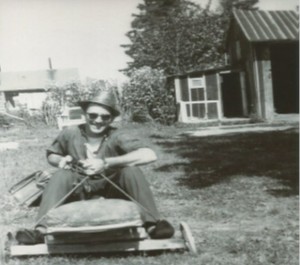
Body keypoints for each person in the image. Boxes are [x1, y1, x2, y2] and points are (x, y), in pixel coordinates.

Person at [16, 90, 174, 244]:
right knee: (60, 175)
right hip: (77, 188)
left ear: (111, 119)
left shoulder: (117, 135)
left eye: (105, 117)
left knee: (131, 170)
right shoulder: (70, 132)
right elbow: (52, 155)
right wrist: (61, 160)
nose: (98, 120)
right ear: (84, 114)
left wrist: (106, 163)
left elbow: (149, 154)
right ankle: (41, 230)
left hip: (112, 188)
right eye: (93, 115)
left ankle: (152, 225)